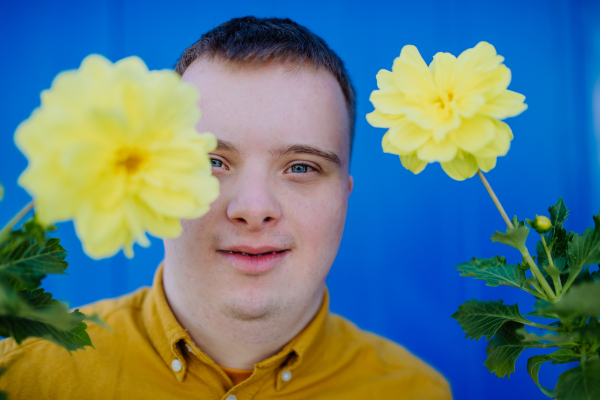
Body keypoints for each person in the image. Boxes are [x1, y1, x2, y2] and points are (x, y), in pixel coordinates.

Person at [0, 16, 452, 399]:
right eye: (212, 161)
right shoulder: (23, 378)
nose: (254, 209)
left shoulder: (415, 391)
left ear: (344, 197)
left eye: (301, 167)